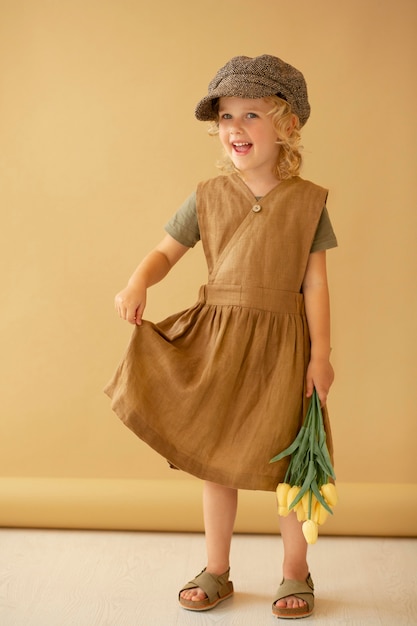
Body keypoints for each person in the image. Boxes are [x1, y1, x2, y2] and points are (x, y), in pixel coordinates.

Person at [105, 54, 337, 619]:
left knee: (288, 463)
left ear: (286, 124)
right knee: (214, 459)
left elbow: (315, 286)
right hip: (219, 342)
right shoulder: (207, 195)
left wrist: (322, 355)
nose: (234, 128)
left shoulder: (309, 203)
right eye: (226, 116)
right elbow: (165, 252)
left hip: (284, 349)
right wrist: (138, 281)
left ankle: (295, 572)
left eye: (250, 114)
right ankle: (216, 568)